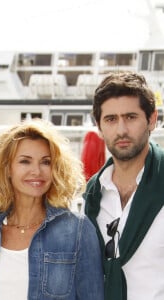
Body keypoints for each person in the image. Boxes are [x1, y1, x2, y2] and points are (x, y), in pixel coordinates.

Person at [0, 119, 104, 300]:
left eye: (46, 162)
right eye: (25, 161)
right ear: (8, 168)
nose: (37, 171)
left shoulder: (77, 230)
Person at [82, 71, 164, 300]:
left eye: (131, 117)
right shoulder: (92, 196)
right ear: (99, 126)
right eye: (111, 119)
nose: (121, 130)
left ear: (151, 119)